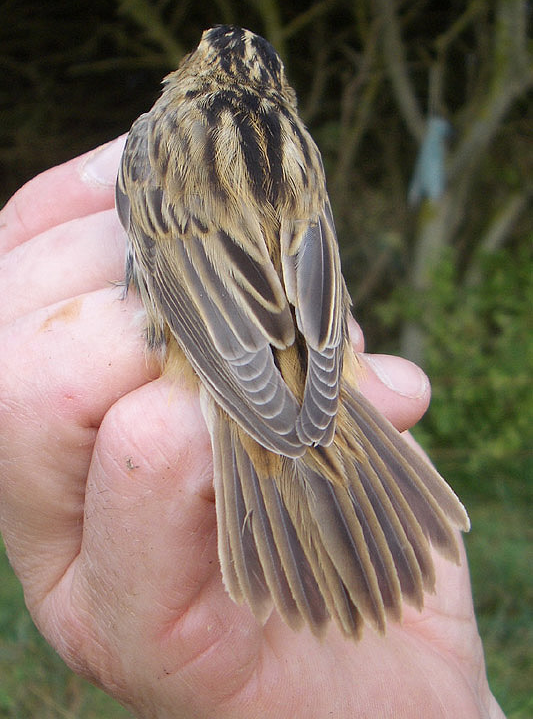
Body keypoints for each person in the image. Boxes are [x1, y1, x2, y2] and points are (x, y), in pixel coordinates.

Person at [0, 138, 504, 718]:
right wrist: (307, 375)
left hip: (218, 338)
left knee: (198, 429)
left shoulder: (157, 147)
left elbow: (168, 275)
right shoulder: (294, 148)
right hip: (307, 338)